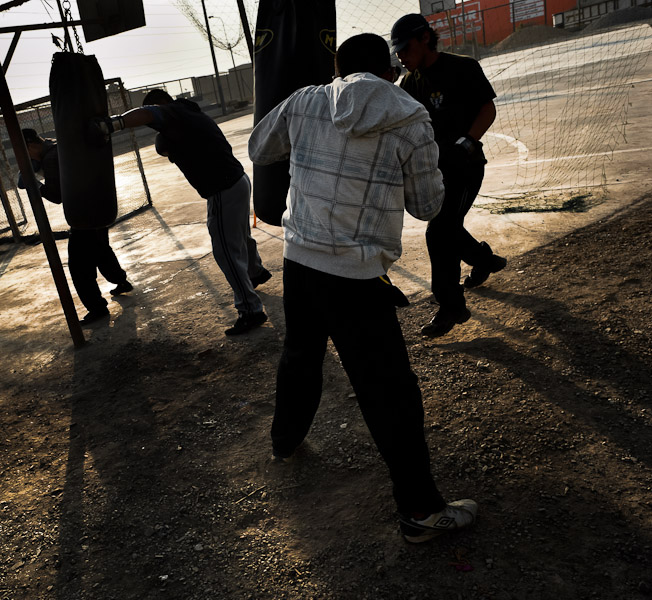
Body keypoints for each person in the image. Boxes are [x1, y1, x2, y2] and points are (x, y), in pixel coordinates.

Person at [248, 33, 477, 543]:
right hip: (354, 275)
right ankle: (419, 510)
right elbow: (426, 206)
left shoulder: (307, 100)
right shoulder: (410, 116)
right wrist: (444, 166)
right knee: (389, 392)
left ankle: (283, 441)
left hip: (300, 260)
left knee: (300, 355)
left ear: (337, 68)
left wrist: (302, 128)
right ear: (390, 69)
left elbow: (258, 147)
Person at [92, 91, 271, 335]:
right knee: (240, 236)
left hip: (222, 189)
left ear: (161, 104)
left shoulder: (172, 112)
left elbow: (149, 115)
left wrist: (113, 124)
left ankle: (251, 310)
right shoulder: (190, 113)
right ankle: (255, 272)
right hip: (237, 181)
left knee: (226, 251)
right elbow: (164, 147)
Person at [392, 13, 508, 337]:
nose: (401, 56)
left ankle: (450, 306)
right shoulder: (409, 84)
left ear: (425, 39)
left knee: (438, 232)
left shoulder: (463, 67)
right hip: (436, 174)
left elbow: (488, 108)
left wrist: (468, 141)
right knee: (448, 228)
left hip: (466, 168)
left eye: (405, 47)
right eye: (397, 50)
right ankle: (482, 260)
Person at [20, 128, 133, 326]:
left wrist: (35, 184)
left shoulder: (50, 158)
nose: (27, 157)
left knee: (79, 266)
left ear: (30, 145)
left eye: (25, 152)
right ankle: (121, 281)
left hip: (84, 214)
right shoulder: (57, 146)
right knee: (100, 250)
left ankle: (97, 308)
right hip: (99, 207)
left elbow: (56, 195)